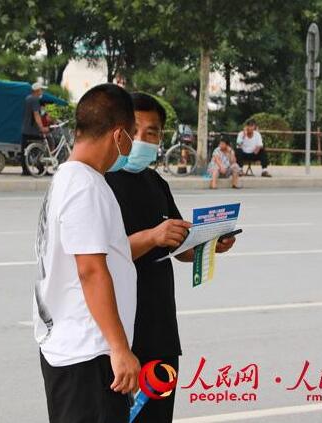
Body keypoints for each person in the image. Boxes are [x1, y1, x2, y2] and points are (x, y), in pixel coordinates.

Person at [105, 93, 237, 422]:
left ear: (160, 138)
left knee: (158, 416)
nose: (141, 139)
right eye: (134, 130)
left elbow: (178, 247)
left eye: (151, 132)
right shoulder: (101, 183)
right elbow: (97, 258)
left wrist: (209, 243)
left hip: (160, 332)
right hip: (117, 337)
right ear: (118, 129)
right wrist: (153, 236)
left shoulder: (157, 183)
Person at [33, 83, 139, 423]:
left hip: (73, 348)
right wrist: (119, 348)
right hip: (88, 355)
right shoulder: (85, 186)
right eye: (133, 135)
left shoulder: (69, 178)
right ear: (118, 134)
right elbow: (90, 270)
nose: (132, 146)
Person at [21, 80, 50, 175]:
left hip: (25, 129)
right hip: (33, 130)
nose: (42, 92)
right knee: (41, 148)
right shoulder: (35, 100)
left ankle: (25, 170)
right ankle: (41, 169)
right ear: (37, 91)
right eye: (41, 90)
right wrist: (42, 128)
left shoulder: (28, 98)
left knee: (25, 150)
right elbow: (36, 115)